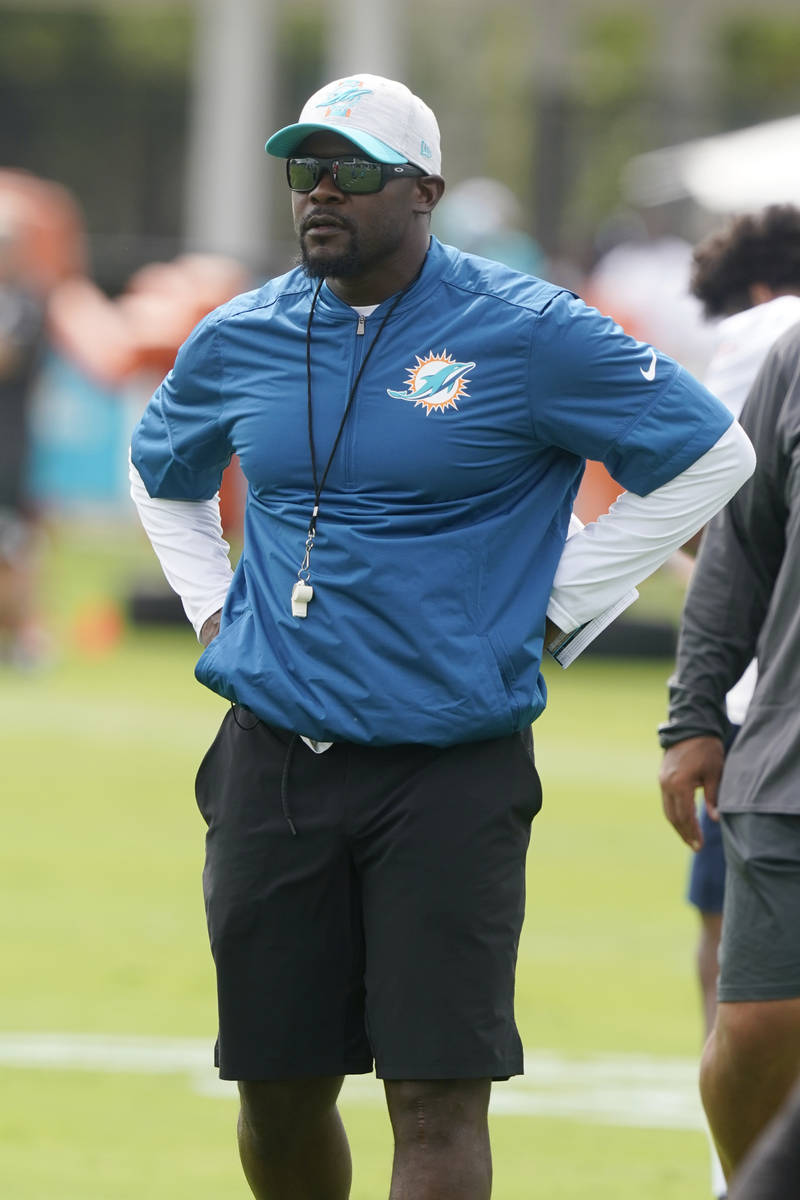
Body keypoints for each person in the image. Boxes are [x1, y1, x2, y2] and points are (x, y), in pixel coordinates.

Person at [129, 73, 754, 1200]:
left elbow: (712, 456)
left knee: (433, 1100)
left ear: (423, 191)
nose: (321, 191)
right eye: (304, 168)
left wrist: (563, 598)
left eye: (352, 169)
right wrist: (211, 605)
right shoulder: (243, 333)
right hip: (273, 759)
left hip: (450, 772)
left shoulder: (528, 330)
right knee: (276, 1094)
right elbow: (160, 472)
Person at [659, 319, 800, 1192]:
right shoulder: (792, 355)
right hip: (786, 762)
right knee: (752, 1034)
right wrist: (694, 714)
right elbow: (738, 548)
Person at [0, 216, 46, 667]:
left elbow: (9, 359)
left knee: (14, 543)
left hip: (8, 448)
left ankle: (27, 639)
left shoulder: (28, 305)